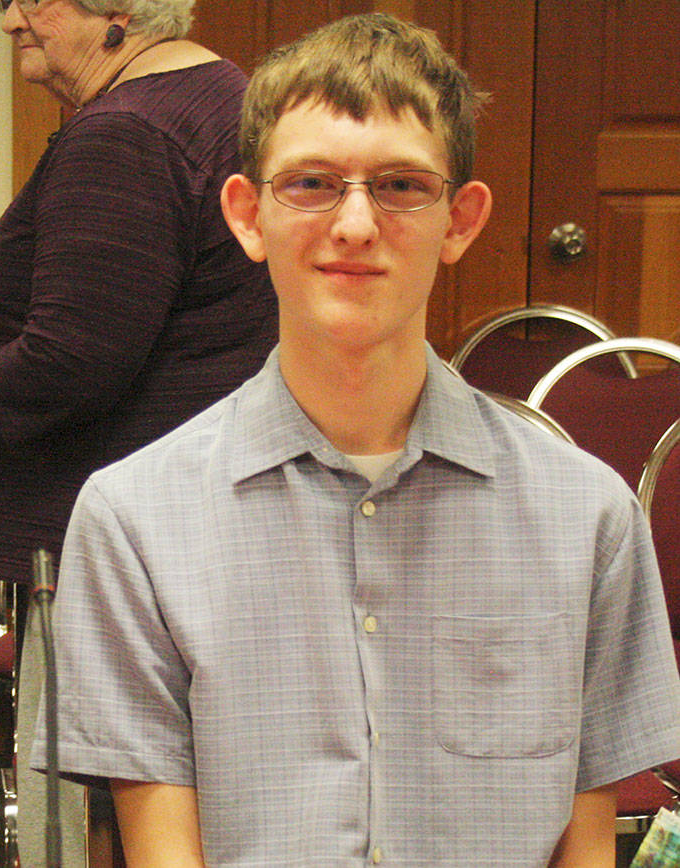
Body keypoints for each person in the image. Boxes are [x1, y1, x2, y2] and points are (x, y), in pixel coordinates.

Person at [39, 12, 680, 866]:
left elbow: (585, 844)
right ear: (246, 215)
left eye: (401, 185)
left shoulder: (586, 515)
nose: (353, 225)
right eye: (309, 183)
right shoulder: (134, 520)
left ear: (460, 220)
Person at [0, 1, 276, 861]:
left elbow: (69, 367)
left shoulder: (123, 133)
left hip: (107, 563)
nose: (9, 18)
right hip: (197, 541)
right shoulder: (220, 96)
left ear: (118, 7)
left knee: (93, 837)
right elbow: (139, 331)